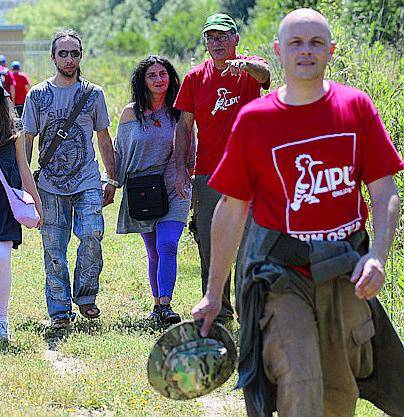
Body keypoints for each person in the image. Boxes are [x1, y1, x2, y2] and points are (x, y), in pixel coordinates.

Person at [192, 8, 403, 417]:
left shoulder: (355, 108)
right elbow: (231, 209)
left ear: (330, 51)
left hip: (345, 270)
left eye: (315, 43)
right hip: (281, 273)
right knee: (301, 379)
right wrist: (214, 294)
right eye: (295, 43)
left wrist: (377, 254)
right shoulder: (256, 120)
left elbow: (383, 190)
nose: (305, 51)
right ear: (278, 51)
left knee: (339, 393)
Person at [174, 13, 270, 323]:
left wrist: (245, 65)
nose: (216, 42)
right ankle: (218, 309)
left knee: (253, 240)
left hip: (251, 172)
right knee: (211, 242)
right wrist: (180, 169)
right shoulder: (194, 78)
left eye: (222, 36)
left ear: (235, 39)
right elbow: (184, 127)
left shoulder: (249, 68)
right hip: (209, 173)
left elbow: (265, 74)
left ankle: (252, 307)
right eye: (210, 37)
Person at [22, 29, 117, 329]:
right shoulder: (37, 95)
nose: (68, 58)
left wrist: (110, 178)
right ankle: (60, 310)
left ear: (81, 56)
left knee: (92, 235)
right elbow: (26, 139)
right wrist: (24, 183)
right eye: (62, 53)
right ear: (53, 57)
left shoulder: (94, 94)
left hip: (87, 179)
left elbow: (104, 138)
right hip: (49, 184)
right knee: (54, 249)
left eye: (74, 53)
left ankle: (86, 297)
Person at [115, 56, 192, 325]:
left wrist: (187, 174)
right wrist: (112, 183)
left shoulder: (180, 111)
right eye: (152, 75)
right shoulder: (129, 113)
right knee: (154, 252)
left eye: (163, 74)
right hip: (143, 190)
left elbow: (190, 150)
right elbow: (121, 154)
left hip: (175, 185)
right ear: (143, 82)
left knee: (167, 244)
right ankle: (157, 305)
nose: (159, 79)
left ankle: (166, 304)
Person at [0, 81, 43, 342]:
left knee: (2, 258)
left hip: (4, 204)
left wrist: (37, 204)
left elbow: (25, 169)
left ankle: (2, 321)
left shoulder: (14, 133)